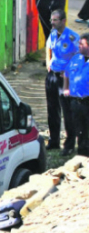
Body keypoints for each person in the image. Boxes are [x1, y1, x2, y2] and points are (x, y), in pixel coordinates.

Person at [45, 9, 81, 152]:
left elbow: (79, 56)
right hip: (52, 76)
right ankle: (54, 141)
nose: (52, 22)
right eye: (51, 20)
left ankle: (69, 145)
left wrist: (69, 72)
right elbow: (48, 47)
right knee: (52, 109)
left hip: (64, 79)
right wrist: (48, 62)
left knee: (67, 112)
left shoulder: (73, 37)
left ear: (63, 21)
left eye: (55, 20)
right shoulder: (53, 34)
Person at [63, 34, 89, 157]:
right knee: (79, 128)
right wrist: (65, 88)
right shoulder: (75, 58)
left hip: (87, 100)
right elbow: (66, 74)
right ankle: (82, 153)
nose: (79, 46)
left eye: (81, 44)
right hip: (75, 101)